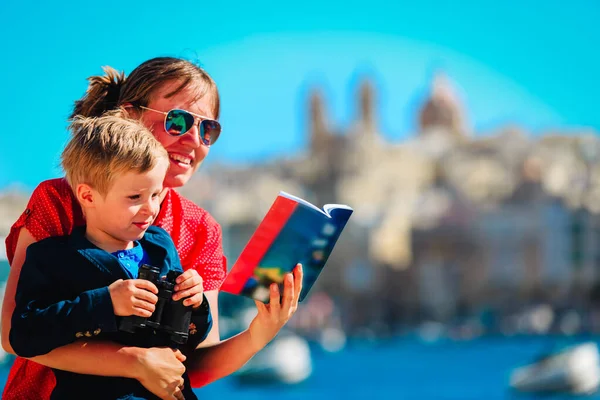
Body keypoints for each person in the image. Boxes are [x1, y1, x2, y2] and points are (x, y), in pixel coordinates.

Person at [1, 57, 303, 400]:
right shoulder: (60, 199)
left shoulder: (201, 229)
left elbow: (195, 362)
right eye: (178, 121)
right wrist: (134, 361)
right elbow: (16, 335)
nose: (194, 140)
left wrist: (259, 333)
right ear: (131, 115)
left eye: (208, 129)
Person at [11, 113, 213, 399]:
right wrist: (105, 303)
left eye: (155, 195)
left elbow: (190, 337)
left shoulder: (160, 246)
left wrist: (195, 302)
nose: (149, 209)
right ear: (88, 196)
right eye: (135, 198)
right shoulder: (51, 258)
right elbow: (24, 335)